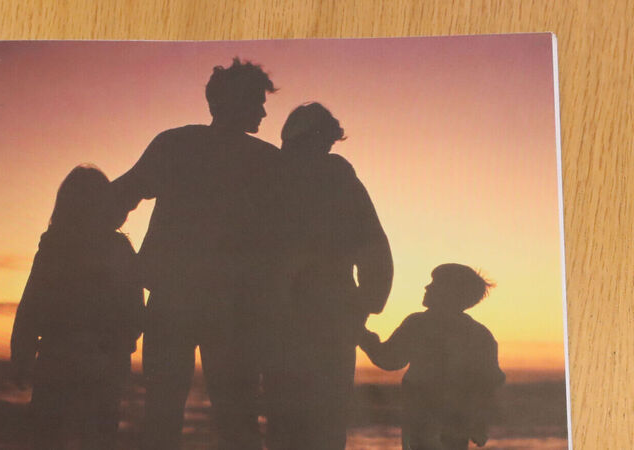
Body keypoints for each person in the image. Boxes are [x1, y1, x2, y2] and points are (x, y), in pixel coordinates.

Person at [109, 58, 279, 450]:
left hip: (186, 300)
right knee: (234, 417)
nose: (263, 111)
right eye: (257, 101)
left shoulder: (178, 143)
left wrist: (80, 230)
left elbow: (122, 194)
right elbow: (125, 193)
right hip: (228, 308)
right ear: (232, 102)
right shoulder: (265, 161)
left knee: (166, 413)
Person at [265, 103, 393, 450]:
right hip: (304, 316)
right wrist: (365, 303)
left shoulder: (331, 180)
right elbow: (375, 246)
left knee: (300, 419)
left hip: (315, 315)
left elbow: (373, 247)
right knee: (315, 419)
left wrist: (366, 303)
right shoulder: (278, 178)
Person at [10, 165, 144, 450]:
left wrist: (22, 355)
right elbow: (134, 311)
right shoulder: (116, 249)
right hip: (99, 363)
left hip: (61, 359)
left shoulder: (55, 247)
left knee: (49, 437)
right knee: (96, 438)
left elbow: (31, 306)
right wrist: (120, 347)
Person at [359, 264, 506, 450]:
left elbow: (390, 359)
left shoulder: (418, 324)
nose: (427, 287)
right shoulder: (480, 334)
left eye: (435, 283)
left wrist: (362, 335)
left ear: (450, 293)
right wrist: (480, 422)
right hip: (456, 422)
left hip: (422, 418)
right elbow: (489, 383)